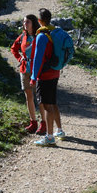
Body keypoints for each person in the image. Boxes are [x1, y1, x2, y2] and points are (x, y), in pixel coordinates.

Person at [30, 8, 66, 147]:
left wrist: (34, 77)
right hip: (55, 72)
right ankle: (60, 131)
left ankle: (49, 137)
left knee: (46, 106)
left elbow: (38, 59)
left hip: (44, 75)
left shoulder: (41, 36)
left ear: (39, 21)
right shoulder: (55, 32)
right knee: (53, 102)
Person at [11, 15, 46, 135]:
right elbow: (13, 48)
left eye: (28, 22)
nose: (25, 24)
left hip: (38, 70)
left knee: (40, 97)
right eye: (24, 22)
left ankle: (44, 123)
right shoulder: (23, 36)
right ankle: (33, 122)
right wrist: (19, 58)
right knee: (28, 96)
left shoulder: (39, 36)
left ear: (33, 23)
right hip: (25, 69)